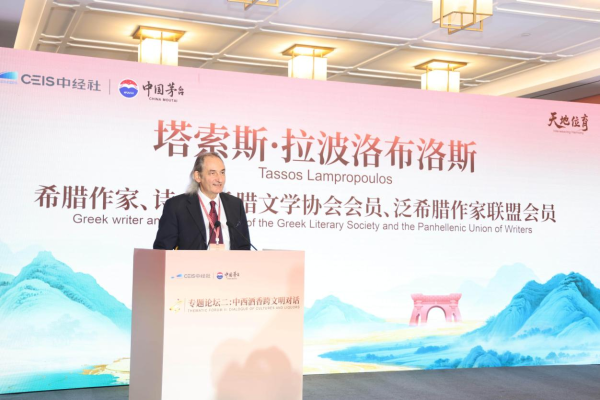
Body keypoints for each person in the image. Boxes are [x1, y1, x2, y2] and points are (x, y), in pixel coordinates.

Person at [153, 152, 251, 250]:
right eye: (212, 173)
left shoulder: (235, 205)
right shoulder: (177, 206)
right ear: (198, 176)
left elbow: (244, 247)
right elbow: (162, 249)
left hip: (229, 261)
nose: (220, 179)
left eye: (222, 172)